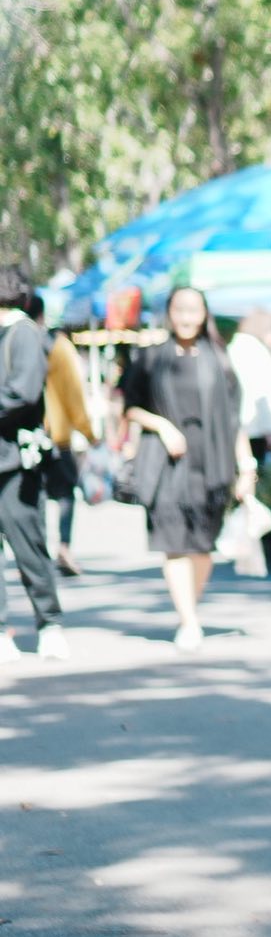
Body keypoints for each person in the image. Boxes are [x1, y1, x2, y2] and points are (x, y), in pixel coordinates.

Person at [119, 286, 255, 652]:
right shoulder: (151, 358)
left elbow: (233, 420)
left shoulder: (219, 358)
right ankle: (188, 620)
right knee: (173, 544)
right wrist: (162, 426)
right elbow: (129, 407)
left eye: (193, 309)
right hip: (167, 464)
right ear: (169, 312)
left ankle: (189, 608)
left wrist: (246, 466)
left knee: (202, 546)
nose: (186, 317)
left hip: (212, 463)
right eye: (180, 309)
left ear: (204, 313)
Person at [0, 270, 65, 662]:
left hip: (14, 463)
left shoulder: (22, 332)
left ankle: (49, 622)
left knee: (27, 544)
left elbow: (23, 393)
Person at [29, 294, 93, 580]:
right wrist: (89, 431)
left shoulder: (8, 342)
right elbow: (73, 394)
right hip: (55, 435)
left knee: (33, 496)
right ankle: (64, 546)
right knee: (66, 493)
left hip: (21, 437)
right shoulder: (57, 345)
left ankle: (36, 552)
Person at [226, 308, 271, 466]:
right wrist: (270, 433)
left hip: (244, 429)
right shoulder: (254, 352)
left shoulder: (237, 348)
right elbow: (262, 397)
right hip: (253, 431)